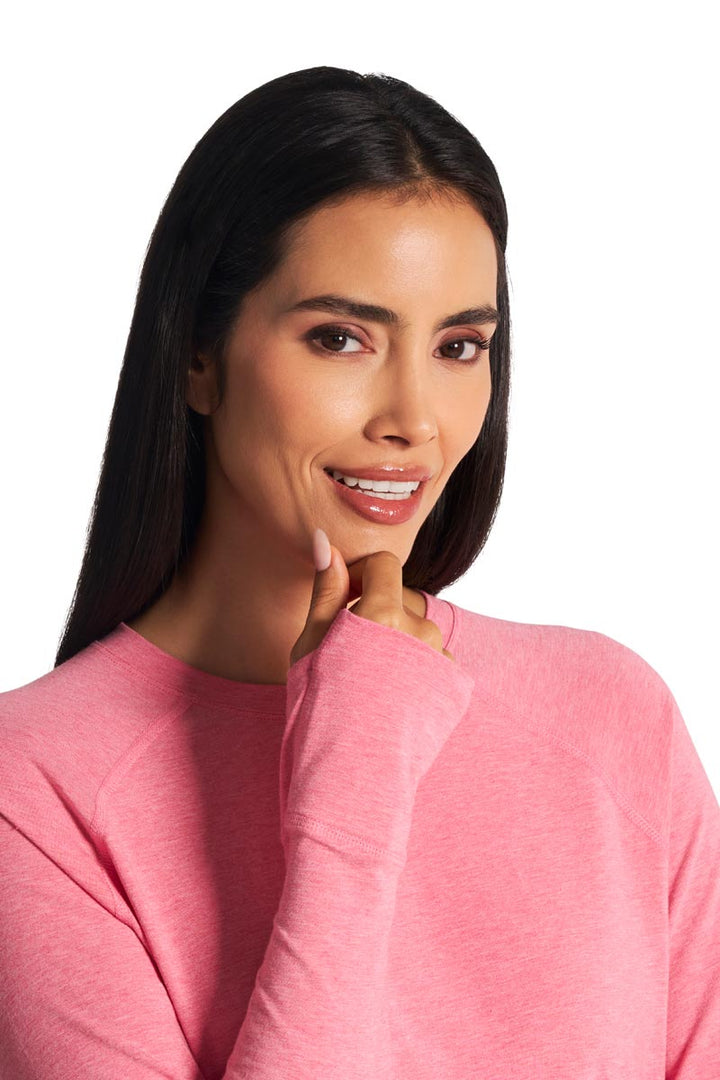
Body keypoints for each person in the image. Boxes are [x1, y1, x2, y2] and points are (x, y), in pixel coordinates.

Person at [0, 65, 718, 1080]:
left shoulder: (611, 715)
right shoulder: (34, 788)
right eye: (341, 338)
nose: (414, 419)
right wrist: (356, 776)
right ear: (199, 355)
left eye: (459, 347)